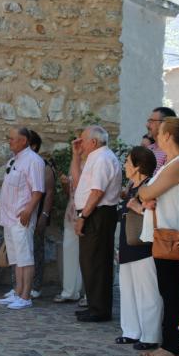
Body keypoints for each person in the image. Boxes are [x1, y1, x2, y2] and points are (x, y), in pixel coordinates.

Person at [139, 117, 179, 356]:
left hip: (172, 237)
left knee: (172, 293)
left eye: (159, 132)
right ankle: (175, 345)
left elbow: (146, 191)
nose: (155, 136)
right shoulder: (172, 163)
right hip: (167, 235)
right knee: (171, 291)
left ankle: (173, 348)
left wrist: (145, 195)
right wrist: (147, 196)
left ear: (167, 137)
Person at [115, 147, 162, 351]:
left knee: (148, 292)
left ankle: (150, 335)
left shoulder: (150, 186)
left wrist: (138, 208)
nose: (124, 165)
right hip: (128, 245)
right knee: (128, 291)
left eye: (127, 162)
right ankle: (131, 331)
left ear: (137, 167)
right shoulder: (132, 187)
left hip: (145, 247)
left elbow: (157, 213)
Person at [73, 125, 121, 322]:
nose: (79, 143)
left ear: (93, 142)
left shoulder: (102, 158)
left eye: (82, 140)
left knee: (97, 261)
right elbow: (78, 184)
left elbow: (97, 192)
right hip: (93, 212)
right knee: (89, 261)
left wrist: (83, 217)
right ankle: (94, 305)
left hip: (98, 214)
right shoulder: (95, 157)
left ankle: (100, 309)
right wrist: (76, 156)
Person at [0, 127, 45, 310]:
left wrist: (28, 211)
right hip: (9, 217)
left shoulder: (33, 161)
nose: (9, 141)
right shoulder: (14, 160)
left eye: (12, 139)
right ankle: (17, 292)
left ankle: (26, 295)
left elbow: (38, 190)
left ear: (24, 140)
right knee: (16, 258)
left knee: (25, 257)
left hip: (21, 216)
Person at [53, 129, 86, 306]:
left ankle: (88, 294)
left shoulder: (94, 162)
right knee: (69, 250)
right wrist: (65, 185)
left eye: (81, 141)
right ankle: (70, 291)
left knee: (88, 255)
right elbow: (71, 192)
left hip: (87, 212)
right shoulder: (76, 161)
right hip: (72, 211)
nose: (78, 145)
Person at [27, 130, 55, 299]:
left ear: (34, 146)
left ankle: (36, 285)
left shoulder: (44, 166)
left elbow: (49, 193)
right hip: (21, 213)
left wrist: (44, 215)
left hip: (37, 213)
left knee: (36, 249)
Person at [145, 107, 176, 174]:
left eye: (151, 121)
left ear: (164, 124)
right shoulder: (149, 148)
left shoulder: (172, 153)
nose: (147, 125)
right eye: (148, 121)